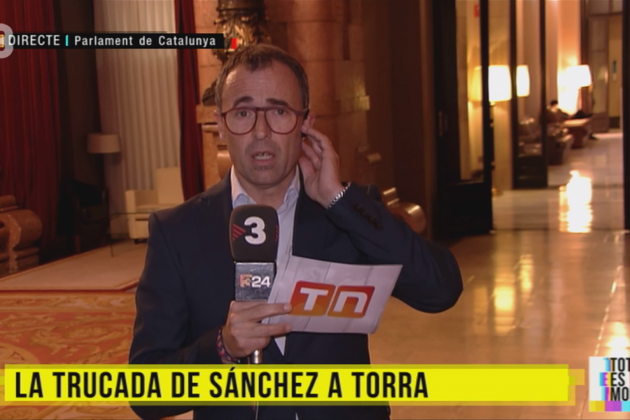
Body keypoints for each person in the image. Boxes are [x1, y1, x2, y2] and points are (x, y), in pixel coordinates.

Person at [129, 44, 463, 420]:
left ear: (305, 122)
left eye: (279, 111)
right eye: (243, 113)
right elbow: (146, 393)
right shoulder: (177, 231)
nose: (261, 132)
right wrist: (222, 347)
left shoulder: (345, 213)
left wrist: (339, 200)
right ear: (220, 124)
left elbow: (441, 290)